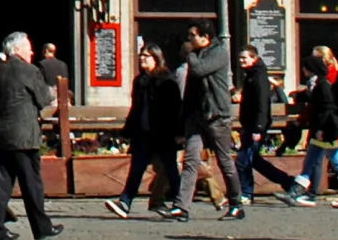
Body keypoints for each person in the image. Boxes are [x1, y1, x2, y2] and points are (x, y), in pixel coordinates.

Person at [0, 32, 61, 240]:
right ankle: (42, 227)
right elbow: (43, 99)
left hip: (0, 137)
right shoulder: (29, 70)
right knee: (32, 184)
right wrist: (51, 92)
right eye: (28, 48)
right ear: (17, 50)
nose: (32, 52)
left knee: (2, 186)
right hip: (24, 137)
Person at [166, 22, 245, 222]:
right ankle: (181, 206)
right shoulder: (196, 56)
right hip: (196, 116)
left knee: (224, 160)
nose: (190, 39)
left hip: (216, 115)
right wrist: (183, 119)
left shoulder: (219, 53)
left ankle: (236, 204)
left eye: (193, 35)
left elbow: (200, 70)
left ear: (205, 37)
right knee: (190, 160)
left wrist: (190, 54)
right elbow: (190, 90)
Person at [104, 43, 186, 218]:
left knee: (170, 168)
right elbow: (136, 108)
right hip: (143, 132)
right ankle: (125, 202)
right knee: (137, 168)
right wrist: (127, 131)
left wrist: (179, 132)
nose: (142, 58)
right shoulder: (139, 81)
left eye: (146, 56)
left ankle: (180, 203)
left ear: (156, 59)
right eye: (141, 55)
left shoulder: (167, 80)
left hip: (163, 132)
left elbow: (175, 108)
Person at [284, 46, 338, 206]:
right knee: (312, 159)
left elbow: (327, 108)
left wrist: (322, 129)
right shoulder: (320, 83)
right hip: (322, 129)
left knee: (335, 160)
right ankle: (296, 191)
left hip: (326, 130)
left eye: (305, 68)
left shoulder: (323, 84)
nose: (303, 70)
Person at [233, 45, 283, 202]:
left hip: (255, 125)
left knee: (243, 160)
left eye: (244, 58)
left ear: (254, 58)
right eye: (240, 58)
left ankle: (246, 193)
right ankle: (289, 182)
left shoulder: (259, 76)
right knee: (254, 160)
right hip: (250, 124)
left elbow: (262, 103)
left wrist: (258, 128)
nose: (241, 61)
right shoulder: (251, 74)